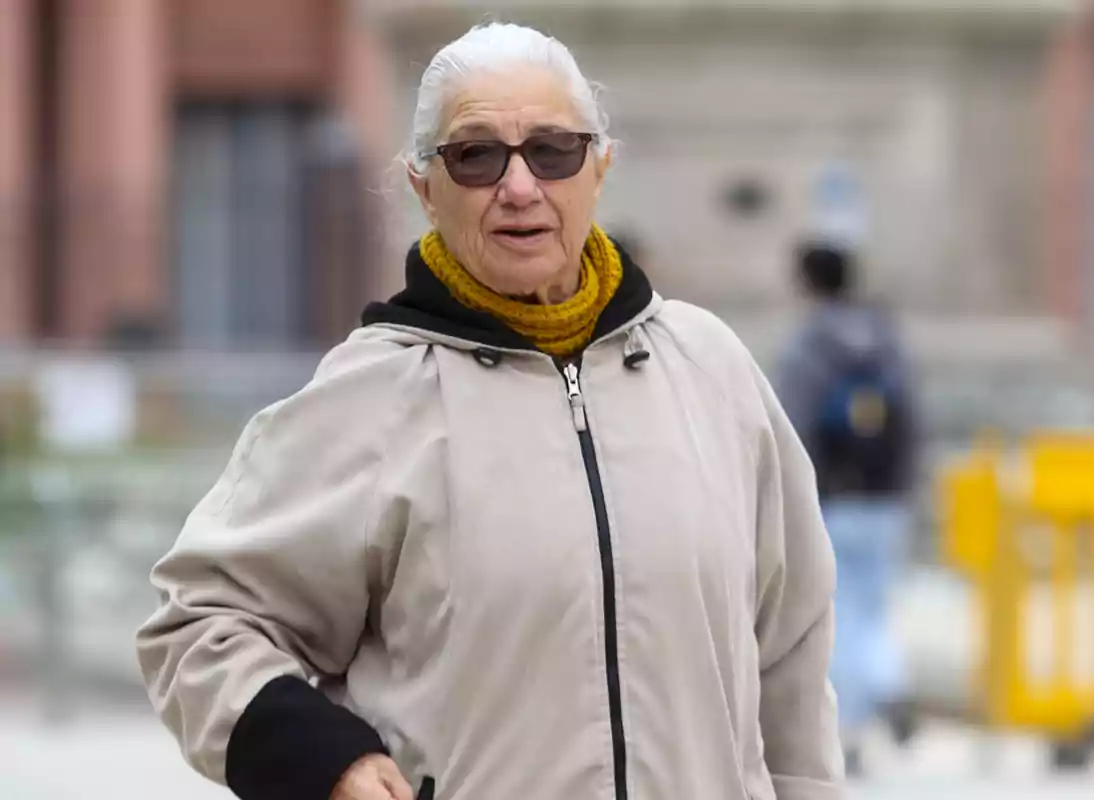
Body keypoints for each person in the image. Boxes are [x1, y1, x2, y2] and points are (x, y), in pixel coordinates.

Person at [137, 23, 843, 800]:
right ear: (423, 187)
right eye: (476, 156)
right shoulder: (369, 399)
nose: (519, 187)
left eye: (552, 151)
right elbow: (198, 626)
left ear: (599, 167)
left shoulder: (712, 372)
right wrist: (324, 762)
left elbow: (793, 651)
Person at [774, 242, 918, 777]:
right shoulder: (885, 336)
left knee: (840, 611)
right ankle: (890, 685)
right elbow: (911, 418)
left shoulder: (810, 344)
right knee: (875, 605)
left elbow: (792, 427)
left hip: (833, 497)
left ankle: (853, 730)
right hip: (886, 496)